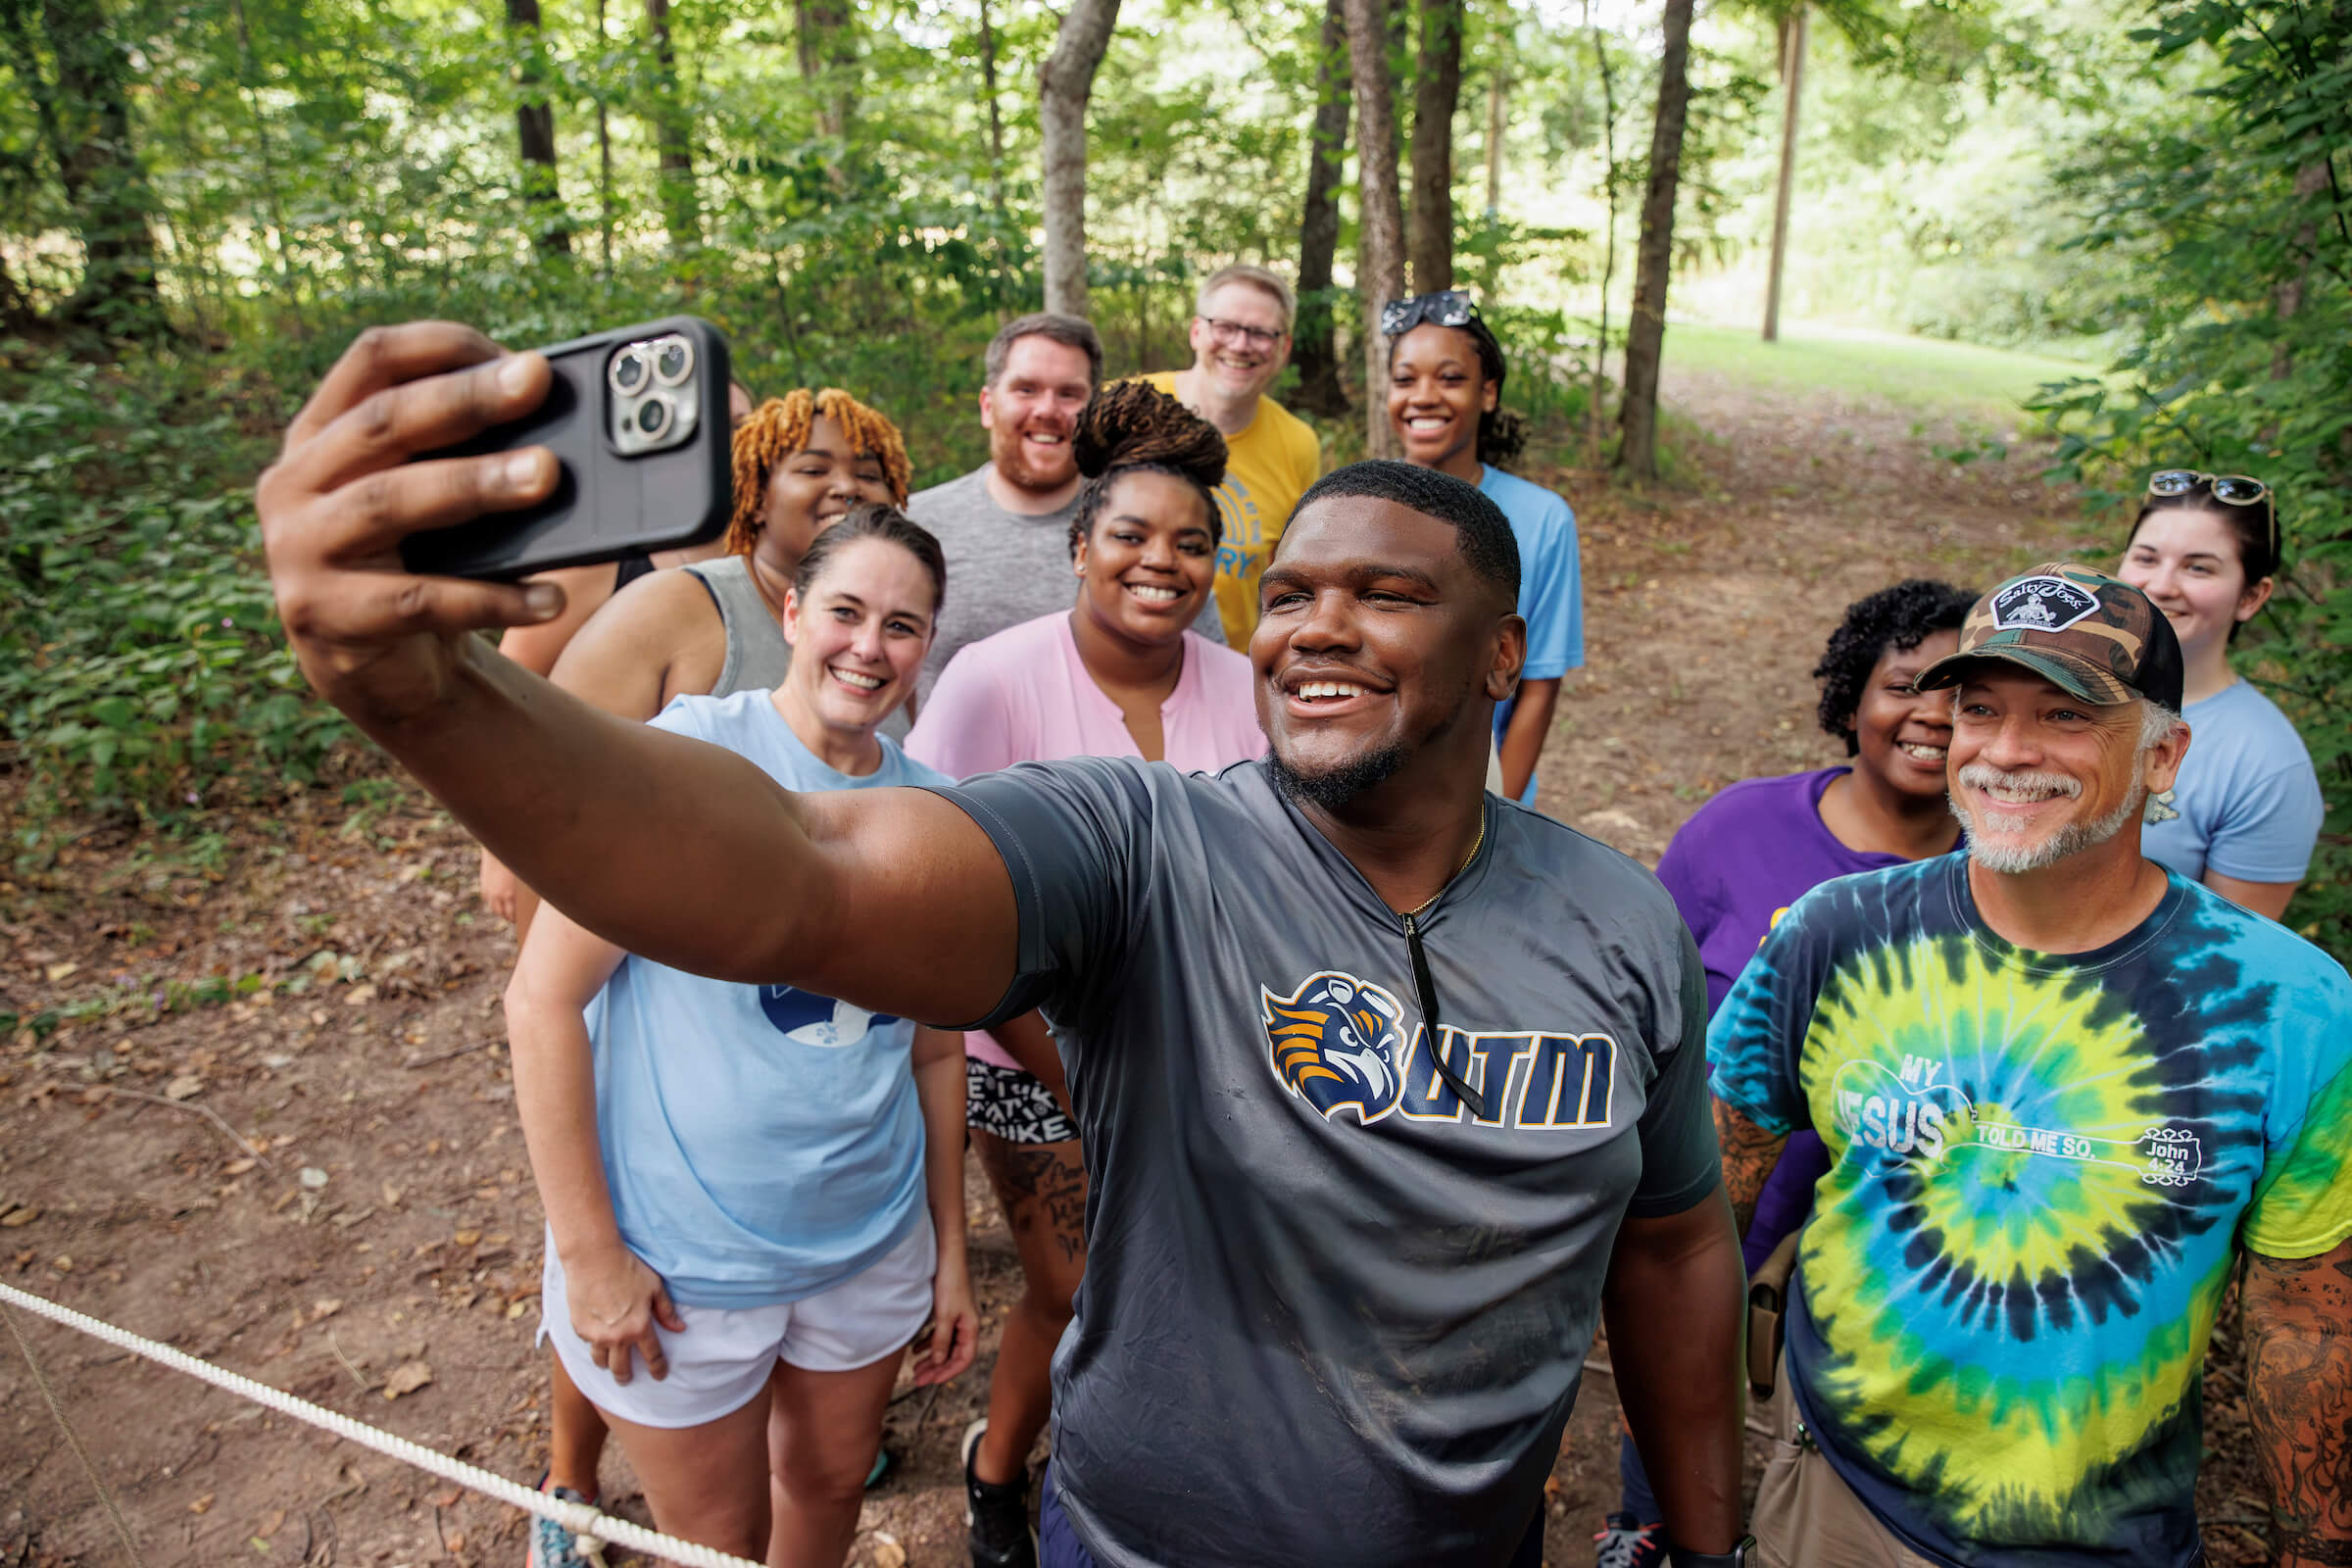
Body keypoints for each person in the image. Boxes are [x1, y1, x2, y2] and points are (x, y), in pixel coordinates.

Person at [258, 322, 1755, 1568]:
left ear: (1504, 652)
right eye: (1290, 593)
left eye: (1387, 596)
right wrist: (427, 698)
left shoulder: (1617, 926)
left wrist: (1707, 1542)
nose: (1315, 628)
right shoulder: (1150, 845)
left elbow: (1677, 1239)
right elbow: (801, 874)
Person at [1707, 563, 2352, 1568]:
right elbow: (1713, 1201)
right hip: (1840, 1501)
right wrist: (1675, 1480)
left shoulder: (2290, 1007)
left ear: (2164, 753)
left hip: (2107, 1537)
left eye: (2064, 714)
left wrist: (2316, 1550)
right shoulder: (1835, 936)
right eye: (1979, 709)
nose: (2007, 751)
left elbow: (2304, 1324)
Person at [507, 507, 978, 1567]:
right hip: (684, 1265)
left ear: (927, 647)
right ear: (793, 610)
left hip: (866, 1243)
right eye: (847, 611)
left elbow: (936, 1049)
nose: (870, 646)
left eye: (902, 625)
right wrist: (590, 1257)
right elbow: (541, 1002)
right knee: (717, 1538)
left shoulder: (939, 815)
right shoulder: (687, 760)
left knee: (823, 1485)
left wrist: (948, 1251)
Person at [906, 381, 1264, 1568]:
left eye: (1193, 543)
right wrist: (1075, 1072)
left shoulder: (1240, 685)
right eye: (1131, 535)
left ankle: (1143, 1456)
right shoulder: (992, 681)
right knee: (1074, 1284)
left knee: (1193, 1283)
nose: (1162, 562)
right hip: (1029, 1054)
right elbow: (944, 899)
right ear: (1078, 546)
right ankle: (997, 1471)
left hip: (1201, 1046)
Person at [1596, 578, 1975, 1567]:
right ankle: (1646, 1529)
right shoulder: (1737, 831)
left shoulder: (2004, 887)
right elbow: (1643, 1008)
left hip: (1884, 1267)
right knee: (1673, 1435)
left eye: (1961, 698)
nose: (1930, 716)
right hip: (1700, 1213)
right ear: (1853, 697)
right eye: (1904, 685)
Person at [484, 386, 911, 936]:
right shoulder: (666, 606)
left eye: (870, 473)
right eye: (812, 468)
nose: (847, 487)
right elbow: (554, 799)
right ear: (756, 493)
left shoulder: (891, 641)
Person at [478, 378, 758, 918]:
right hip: (593, 834)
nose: (730, 441)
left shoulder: (768, 559)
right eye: (711, 427)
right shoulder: (597, 559)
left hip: (726, 843)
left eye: (742, 425)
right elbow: (495, 696)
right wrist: (498, 849)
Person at [908, 315, 1222, 707]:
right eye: (1026, 389)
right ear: (988, 405)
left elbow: (1208, 675)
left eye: (1069, 394)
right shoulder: (919, 528)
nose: (1047, 409)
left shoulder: (1151, 528)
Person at [1384, 291, 1582, 806]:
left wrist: (1498, 820)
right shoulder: (1354, 508)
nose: (1424, 396)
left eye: (1449, 378)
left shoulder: (1543, 519)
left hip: (1479, 783)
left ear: (1487, 393)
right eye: (1405, 379)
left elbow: (1538, 685)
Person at [2116, 469, 2321, 921]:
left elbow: (2232, 955)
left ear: (2251, 596)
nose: (2162, 585)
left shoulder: (2266, 763)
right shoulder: (2049, 684)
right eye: (2147, 559)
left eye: (2198, 567)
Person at [1140, 264, 1323, 642]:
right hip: (1111, 658)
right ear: (1196, 331)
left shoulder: (1298, 444)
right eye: (1225, 327)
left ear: (1283, 347)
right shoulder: (1131, 408)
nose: (1240, 345)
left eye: (1260, 333)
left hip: (1228, 671)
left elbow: (1292, 580)